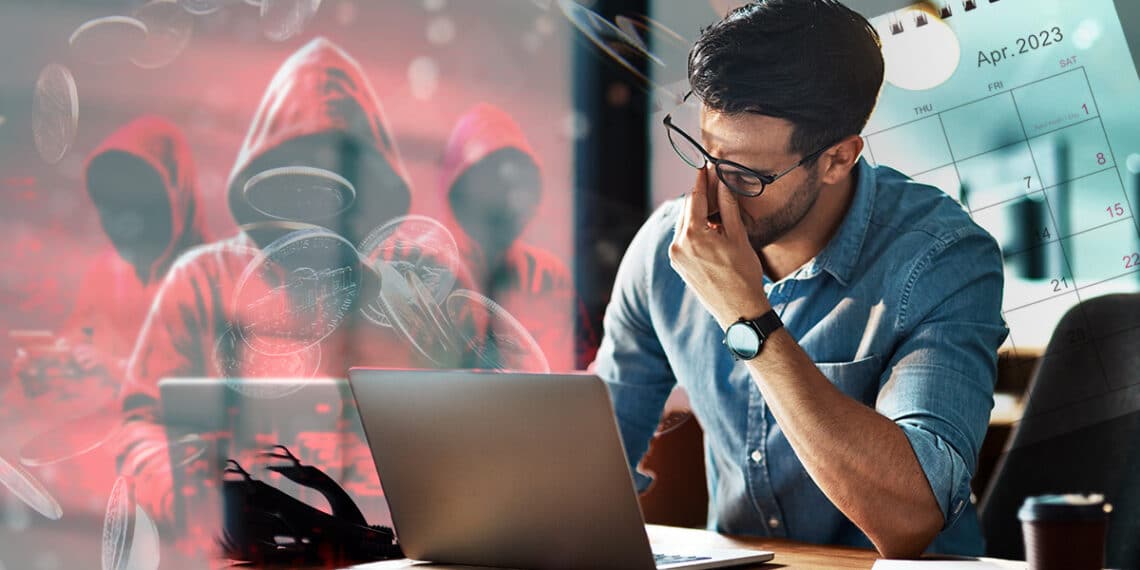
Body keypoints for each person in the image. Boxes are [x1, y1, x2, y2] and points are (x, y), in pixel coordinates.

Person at [593, 0, 1007, 558]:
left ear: (838, 158)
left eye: (744, 174)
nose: (710, 193)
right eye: (704, 152)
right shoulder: (667, 250)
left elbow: (911, 518)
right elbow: (594, 457)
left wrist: (746, 316)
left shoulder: (942, 258)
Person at [114, 37, 417, 532]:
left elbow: (479, 416)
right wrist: (190, 499)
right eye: (300, 170)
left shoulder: (412, 291)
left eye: (338, 169)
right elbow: (141, 425)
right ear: (266, 172)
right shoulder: (201, 281)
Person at [8, 115, 208, 515]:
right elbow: (79, 333)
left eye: (133, 207)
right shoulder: (106, 267)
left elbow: (209, 392)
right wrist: (52, 360)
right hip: (91, 435)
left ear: (172, 198)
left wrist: (115, 369)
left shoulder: (207, 277)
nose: (119, 223)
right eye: (109, 208)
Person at [440, 103, 595, 371]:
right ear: (461, 189)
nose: (508, 197)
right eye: (491, 179)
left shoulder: (549, 277)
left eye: (518, 181)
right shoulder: (429, 271)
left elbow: (588, 374)